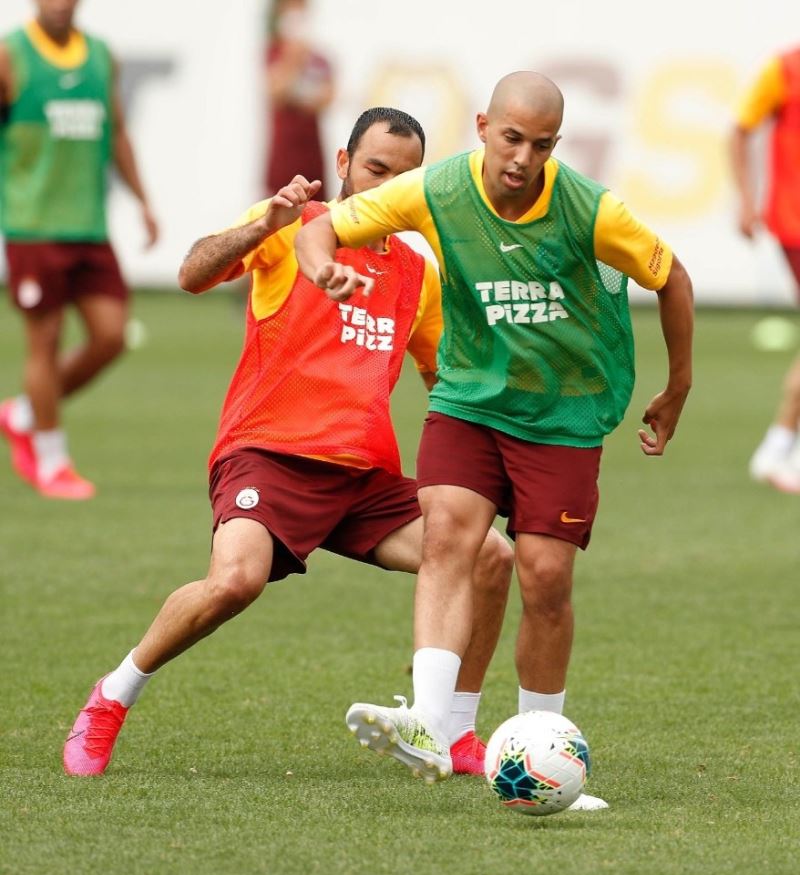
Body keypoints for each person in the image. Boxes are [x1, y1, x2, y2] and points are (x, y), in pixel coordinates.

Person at [62, 107, 513, 781]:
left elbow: (444, 379)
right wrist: (262, 225)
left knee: (492, 556)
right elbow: (191, 274)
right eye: (375, 169)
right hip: (267, 455)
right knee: (234, 582)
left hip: (363, 480)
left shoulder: (417, 274)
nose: (386, 186)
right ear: (343, 163)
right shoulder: (293, 227)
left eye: (402, 178)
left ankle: (454, 731)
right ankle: (112, 695)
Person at [295, 71, 694, 810]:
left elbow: (672, 277)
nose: (522, 158)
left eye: (541, 145)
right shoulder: (438, 189)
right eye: (511, 138)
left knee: (545, 577)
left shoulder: (590, 208)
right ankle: (429, 720)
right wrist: (321, 267)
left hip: (565, 411)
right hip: (470, 398)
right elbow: (324, 223)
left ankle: (550, 752)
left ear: (556, 144)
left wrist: (679, 387)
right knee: (449, 535)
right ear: (483, 127)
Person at [0, 0, 158, 500]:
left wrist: (143, 200)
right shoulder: (11, 56)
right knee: (44, 341)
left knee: (111, 335)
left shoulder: (100, 55)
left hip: (89, 224)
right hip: (32, 225)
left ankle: (23, 414)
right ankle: (52, 462)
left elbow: (118, 133)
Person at [731, 46, 800, 493]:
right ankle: (779, 448)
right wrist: (746, 199)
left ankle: (779, 446)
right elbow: (740, 129)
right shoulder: (786, 68)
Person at [264, 0, 334, 199]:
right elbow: (275, 91)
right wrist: (294, 57)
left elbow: (327, 98)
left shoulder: (320, 58)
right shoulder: (274, 53)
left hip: (312, 151)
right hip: (284, 152)